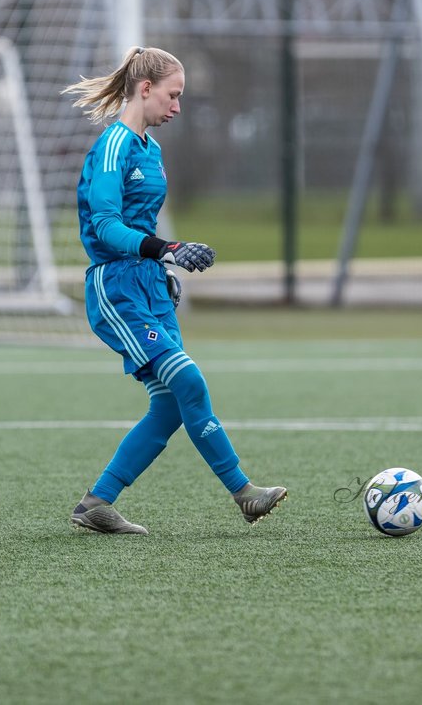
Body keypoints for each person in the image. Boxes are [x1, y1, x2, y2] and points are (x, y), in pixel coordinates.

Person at [63, 46, 287, 535]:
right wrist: (166, 248)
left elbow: (141, 222)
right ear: (146, 89)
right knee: (188, 382)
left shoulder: (151, 149)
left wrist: (163, 269)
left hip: (148, 285)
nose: (178, 106)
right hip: (115, 286)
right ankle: (244, 493)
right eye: (174, 94)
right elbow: (104, 225)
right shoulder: (114, 146)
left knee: (168, 404)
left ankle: (97, 502)